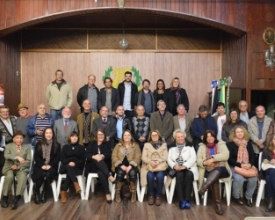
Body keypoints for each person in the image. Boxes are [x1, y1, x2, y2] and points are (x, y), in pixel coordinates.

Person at [197, 130, 231, 215]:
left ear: (214, 137)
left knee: (218, 170)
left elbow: (226, 155)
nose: (209, 138)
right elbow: (198, 160)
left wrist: (213, 158)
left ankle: (203, 188)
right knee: (214, 178)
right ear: (205, 138)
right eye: (207, 136)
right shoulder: (202, 146)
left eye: (211, 136)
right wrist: (205, 162)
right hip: (208, 170)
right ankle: (218, 205)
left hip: (222, 169)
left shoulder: (221, 144)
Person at [166, 129, 197, 210]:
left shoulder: (190, 145)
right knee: (179, 175)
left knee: (189, 175)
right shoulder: (171, 146)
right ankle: (181, 200)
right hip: (177, 168)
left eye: (181, 137)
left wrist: (185, 166)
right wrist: (174, 166)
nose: (180, 138)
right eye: (178, 137)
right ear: (175, 138)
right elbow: (168, 159)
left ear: (184, 137)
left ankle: (187, 200)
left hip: (188, 168)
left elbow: (193, 157)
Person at [227, 126, 257, 207]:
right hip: (235, 166)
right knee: (239, 178)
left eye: (241, 131)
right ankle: (236, 197)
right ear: (234, 134)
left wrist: (250, 164)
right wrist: (240, 165)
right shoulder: (230, 144)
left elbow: (252, 156)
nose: (240, 133)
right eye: (237, 132)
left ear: (244, 133)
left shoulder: (248, 143)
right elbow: (230, 159)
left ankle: (248, 197)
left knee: (253, 178)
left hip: (247, 165)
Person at [1, 131, 31, 209]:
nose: (19, 140)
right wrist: (17, 157)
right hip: (9, 167)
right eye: (17, 138)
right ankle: (5, 197)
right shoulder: (8, 146)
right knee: (9, 177)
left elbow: (28, 161)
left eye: (21, 138)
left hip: (21, 168)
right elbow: (6, 155)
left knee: (22, 177)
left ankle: (16, 199)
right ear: (13, 139)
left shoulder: (27, 147)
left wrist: (19, 166)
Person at [31, 127, 61, 204]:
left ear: (53, 134)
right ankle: (37, 191)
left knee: (48, 174)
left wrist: (49, 165)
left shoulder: (57, 145)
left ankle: (44, 192)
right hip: (39, 165)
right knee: (41, 173)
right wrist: (42, 165)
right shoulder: (39, 144)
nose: (48, 135)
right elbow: (36, 157)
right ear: (44, 134)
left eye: (50, 133)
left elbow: (58, 158)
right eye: (47, 133)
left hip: (52, 166)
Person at [85, 129, 115, 203]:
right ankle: (109, 176)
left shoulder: (107, 143)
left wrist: (102, 156)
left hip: (104, 165)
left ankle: (107, 193)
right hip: (92, 165)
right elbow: (87, 154)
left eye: (102, 134)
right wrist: (94, 157)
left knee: (101, 172)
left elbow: (109, 154)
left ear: (104, 136)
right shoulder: (92, 143)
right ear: (96, 136)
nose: (100, 136)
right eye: (99, 134)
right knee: (97, 160)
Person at [112, 130, 141, 203]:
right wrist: (120, 165)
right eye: (125, 135)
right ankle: (117, 193)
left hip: (132, 166)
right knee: (120, 173)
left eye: (128, 135)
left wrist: (131, 166)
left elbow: (138, 157)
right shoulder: (118, 145)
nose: (127, 137)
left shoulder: (135, 146)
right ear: (122, 137)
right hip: (120, 165)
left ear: (131, 137)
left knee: (133, 173)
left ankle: (133, 193)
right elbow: (114, 156)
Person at [140, 130, 168, 206]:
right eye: (153, 135)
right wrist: (150, 162)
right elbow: (143, 157)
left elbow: (165, 156)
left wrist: (158, 161)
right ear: (150, 137)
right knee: (149, 176)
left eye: (156, 135)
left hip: (161, 166)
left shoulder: (164, 145)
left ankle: (158, 196)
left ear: (159, 136)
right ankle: (151, 196)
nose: (154, 137)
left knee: (160, 176)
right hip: (149, 166)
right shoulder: (147, 145)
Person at [59, 131, 85, 203]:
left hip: (77, 167)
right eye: (72, 136)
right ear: (69, 138)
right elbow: (62, 159)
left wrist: (75, 163)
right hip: (65, 166)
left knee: (69, 170)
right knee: (68, 167)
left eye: (76, 136)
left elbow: (82, 160)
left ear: (78, 138)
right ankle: (75, 184)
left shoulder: (81, 148)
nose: (74, 138)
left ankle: (63, 192)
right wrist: (69, 162)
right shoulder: (65, 147)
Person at [0, 105, 17, 175]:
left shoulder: (13, 118)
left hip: (15, 144)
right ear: (0, 113)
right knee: (3, 162)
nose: (5, 113)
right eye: (3, 112)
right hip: (4, 145)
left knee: (15, 161)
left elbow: (23, 119)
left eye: (7, 111)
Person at [262, 134, 275, 212]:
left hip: (269, 175)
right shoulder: (266, 150)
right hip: (269, 170)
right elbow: (263, 163)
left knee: (268, 178)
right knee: (271, 171)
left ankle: (271, 201)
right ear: (272, 141)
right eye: (274, 139)